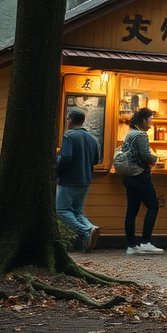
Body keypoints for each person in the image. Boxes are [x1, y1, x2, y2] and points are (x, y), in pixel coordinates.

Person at [56, 108, 102, 253]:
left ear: (69, 120)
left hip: (69, 179)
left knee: (61, 210)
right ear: (83, 121)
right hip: (85, 180)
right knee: (77, 210)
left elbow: (66, 158)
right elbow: (96, 159)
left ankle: (86, 231)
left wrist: (56, 166)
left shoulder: (69, 137)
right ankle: (91, 229)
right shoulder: (92, 138)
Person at [121, 107, 163, 255]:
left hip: (129, 176)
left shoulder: (130, 134)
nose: (151, 124)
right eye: (150, 120)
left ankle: (131, 245)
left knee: (131, 211)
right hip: (140, 176)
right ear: (144, 120)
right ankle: (146, 241)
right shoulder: (141, 136)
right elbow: (145, 156)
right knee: (153, 206)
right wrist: (156, 159)